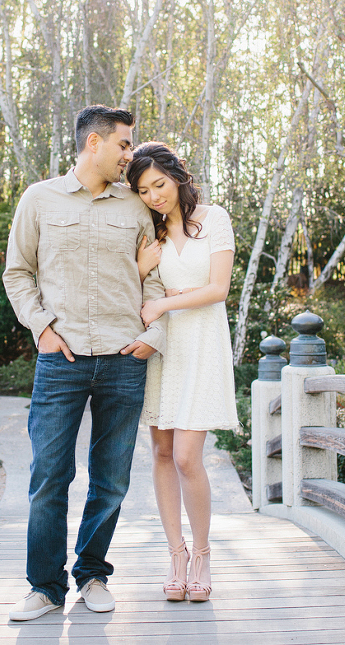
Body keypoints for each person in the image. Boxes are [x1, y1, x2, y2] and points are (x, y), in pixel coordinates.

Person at [2, 105, 167, 622]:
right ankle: (45, 587)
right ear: (93, 143)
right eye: (123, 144)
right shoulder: (39, 199)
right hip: (62, 360)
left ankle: (92, 573)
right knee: (50, 475)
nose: (129, 155)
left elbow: (156, 277)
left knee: (112, 478)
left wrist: (152, 336)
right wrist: (43, 329)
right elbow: (17, 273)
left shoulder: (136, 208)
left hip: (124, 358)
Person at [126, 141, 238, 603]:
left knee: (190, 456)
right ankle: (175, 554)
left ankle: (203, 554)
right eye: (144, 190)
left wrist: (165, 301)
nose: (154, 195)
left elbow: (218, 289)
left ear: (177, 177)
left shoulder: (213, 219)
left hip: (202, 344)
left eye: (159, 184)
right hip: (164, 347)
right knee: (162, 453)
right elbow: (128, 289)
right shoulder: (147, 236)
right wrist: (140, 267)